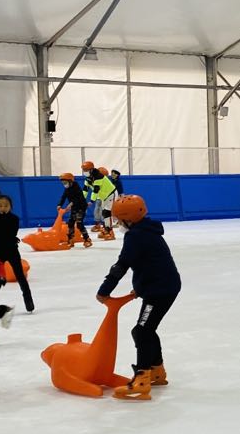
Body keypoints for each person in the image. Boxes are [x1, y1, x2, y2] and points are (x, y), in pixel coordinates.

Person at [98, 195, 182, 399]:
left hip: (160, 290)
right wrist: (141, 288)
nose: (118, 224)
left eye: (119, 220)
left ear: (128, 219)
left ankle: (142, 379)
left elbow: (122, 265)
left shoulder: (136, 236)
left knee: (142, 331)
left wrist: (104, 290)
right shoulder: (147, 230)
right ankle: (156, 371)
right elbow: (151, 263)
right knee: (146, 330)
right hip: (162, 286)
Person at [0, 195, 33, 312]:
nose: (3, 208)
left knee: (20, 276)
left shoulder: (14, 219)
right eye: (0, 205)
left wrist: (2, 236)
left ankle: (29, 302)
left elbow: (11, 233)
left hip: (12, 250)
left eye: (6, 206)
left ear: (10, 207)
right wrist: (3, 236)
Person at [58, 172, 93, 248]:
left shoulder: (76, 187)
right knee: (70, 223)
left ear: (70, 181)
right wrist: (59, 204)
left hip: (81, 207)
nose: (64, 184)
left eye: (65, 183)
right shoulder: (67, 189)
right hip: (74, 207)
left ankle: (87, 239)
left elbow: (78, 198)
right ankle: (70, 239)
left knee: (79, 223)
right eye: (63, 183)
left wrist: (71, 204)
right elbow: (63, 197)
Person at [90, 166, 118, 240]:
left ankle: (110, 231)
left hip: (110, 195)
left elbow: (97, 190)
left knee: (107, 212)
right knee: (104, 213)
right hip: (104, 197)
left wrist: (92, 200)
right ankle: (106, 229)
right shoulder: (96, 179)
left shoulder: (101, 180)